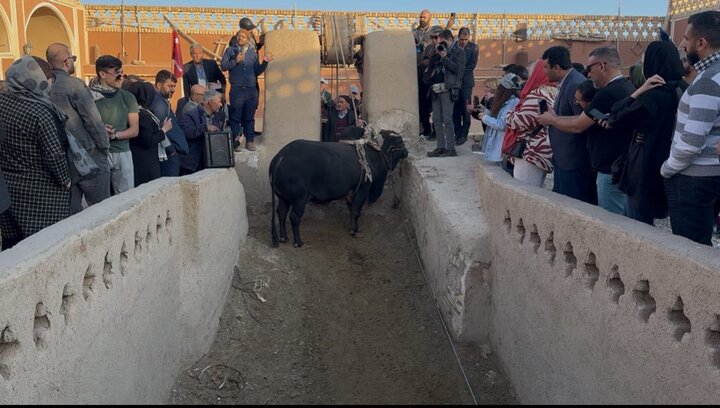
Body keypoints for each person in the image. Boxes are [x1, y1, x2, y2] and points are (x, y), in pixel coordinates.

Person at [539, 47, 635, 215]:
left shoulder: (606, 94)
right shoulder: (625, 87)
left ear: (603, 66)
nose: (588, 75)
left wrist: (553, 120)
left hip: (608, 169)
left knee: (611, 224)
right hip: (618, 166)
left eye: (590, 68)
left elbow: (579, 124)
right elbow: (588, 119)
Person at [603, 42, 684, 226]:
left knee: (635, 227)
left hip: (642, 170)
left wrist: (638, 91)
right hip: (661, 165)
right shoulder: (678, 90)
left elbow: (614, 117)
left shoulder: (653, 97)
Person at [660, 11, 720, 246]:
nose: (683, 44)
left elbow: (691, 142)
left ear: (701, 43)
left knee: (689, 251)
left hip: (693, 179)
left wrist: (668, 168)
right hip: (710, 175)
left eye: (686, 38)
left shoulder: (707, 81)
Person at [0, 56, 71, 249]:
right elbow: (54, 155)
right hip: (41, 195)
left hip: (7, 190)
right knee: (45, 247)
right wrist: (65, 180)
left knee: (13, 249)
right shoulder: (40, 112)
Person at [46, 42, 111, 214]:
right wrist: (104, 147)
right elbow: (92, 120)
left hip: (62, 162)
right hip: (89, 156)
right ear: (67, 62)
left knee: (72, 216)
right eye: (73, 59)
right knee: (103, 212)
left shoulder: (44, 88)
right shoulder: (74, 85)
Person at [90, 55, 139, 194]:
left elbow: (134, 129)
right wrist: (100, 131)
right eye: (116, 73)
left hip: (123, 152)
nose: (121, 77)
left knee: (126, 198)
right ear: (102, 74)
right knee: (99, 200)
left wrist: (115, 135)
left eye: (122, 73)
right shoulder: (88, 97)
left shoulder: (128, 97)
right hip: (98, 153)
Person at [504, 61, 558, 187]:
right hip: (543, 149)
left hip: (530, 152)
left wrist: (509, 115)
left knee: (524, 190)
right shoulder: (555, 92)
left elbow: (521, 120)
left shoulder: (538, 94)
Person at [221, 28, 274, 152]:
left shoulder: (252, 53)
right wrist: (235, 61)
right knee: (235, 117)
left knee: (249, 117)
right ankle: (235, 141)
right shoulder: (230, 51)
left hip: (251, 91)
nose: (241, 38)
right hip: (236, 90)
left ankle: (249, 141)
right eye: (239, 36)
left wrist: (265, 62)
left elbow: (257, 71)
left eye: (243, 36)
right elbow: (223, 66)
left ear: (247, 39)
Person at [425, 29, 465, 158]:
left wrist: (444, 57)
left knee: (447, 119)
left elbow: (457, 70)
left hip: (449, 88)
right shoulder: (438, 52)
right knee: (436, 119)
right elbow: (432, 68)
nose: (440, 44)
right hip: (436, 88)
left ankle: (451, 148)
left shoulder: (459, 52)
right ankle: (440, 146)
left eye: (443, 42)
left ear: (450, 40)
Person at [126, 81, 171, 187]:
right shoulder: (144, 116)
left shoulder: (132, 112)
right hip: (146, 162)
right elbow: (148, 140)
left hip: (136, 159)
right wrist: (164, 130)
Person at [471, 73, 520, 163]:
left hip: (501, 144)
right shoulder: (508, 101)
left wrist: (484, 117)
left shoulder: (513, 103)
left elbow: (501, 124)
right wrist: (486, 111)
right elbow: (498, 116)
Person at [180, 89, 224, 175]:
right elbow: (187, 132)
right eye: (219, 101)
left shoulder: (217, 117)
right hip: (192, 164)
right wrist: (205, 128)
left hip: (210, 164)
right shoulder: (190, 115)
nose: (221, 104)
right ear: (210, 102)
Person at [453, 27, 479, 147]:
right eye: (461, 39)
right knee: (455, 109)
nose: (463, 42)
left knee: (465, 108)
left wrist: (458, 72)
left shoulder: (473, 48)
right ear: (458, 37)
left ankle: (464, 133)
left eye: (466, 39)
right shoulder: (454, 47)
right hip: (455, 83)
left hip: (466, 82)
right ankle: (457, 133)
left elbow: (471, 65)